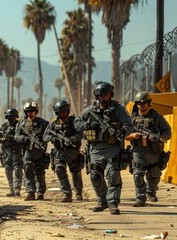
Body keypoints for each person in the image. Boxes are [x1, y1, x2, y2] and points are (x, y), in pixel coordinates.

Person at [74, 81, 133, 215]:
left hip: (113, 148)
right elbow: (77, 123)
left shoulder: (118, 109)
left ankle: (112, 202)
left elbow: (129, 125)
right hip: (95, 149)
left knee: (113, 175)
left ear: (110, 94)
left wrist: (122, 132)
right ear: (97, 96)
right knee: (95, 176)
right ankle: (102, 200)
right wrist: (89, 124)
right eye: (100, 95)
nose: (103, 97)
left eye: (106, 95)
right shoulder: (91, 110)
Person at [124, 91, 171, 207]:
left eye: (144, 102)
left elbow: (167, 132)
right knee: (138, 174)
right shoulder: (131, 120)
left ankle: (151, 191)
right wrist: (133, 136)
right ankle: (140, 197)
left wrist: (158, 138)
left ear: (149, 103)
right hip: (138, 150)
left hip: (153, 151)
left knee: (154, 175)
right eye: (139, 103)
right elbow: (123, 135)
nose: (142, 105)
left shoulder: (157, 118)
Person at [43, 100, 83, 202]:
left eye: (65, 111)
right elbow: (45, 136)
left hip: (73, 152)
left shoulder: (74, 122)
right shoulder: (53, 124)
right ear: (57, 113)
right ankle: (67, 194)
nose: (64, 114)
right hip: (59, 152)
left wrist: (72, 139)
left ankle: (78, 193)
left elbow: (81, 134)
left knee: (76, 172)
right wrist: (53, 139)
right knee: (59, 170)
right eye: (61, 112)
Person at [14, 102, 49, 201]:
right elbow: (16, 136)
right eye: (28, 111)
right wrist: (25, 138)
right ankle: (30, 192)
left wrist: (42, 141)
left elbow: (48, 135)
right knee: (28, 170)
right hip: (28, 152)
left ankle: (40, 192)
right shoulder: (21, 124)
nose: (30, 113)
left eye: (32, 111)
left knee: (40, 173)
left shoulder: (43, 123)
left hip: (40, 153)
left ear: (36, 111)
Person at [0, 108, 23, 197]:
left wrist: (13, 137)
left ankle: (17, 189)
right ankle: (12, 189)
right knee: (8, 170)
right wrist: (2, 139)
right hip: (6, 152)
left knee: (18, 170)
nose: (11, 119)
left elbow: (23, 137)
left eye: (13, 117)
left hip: (16, 151)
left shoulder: (20, 126)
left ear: (16, 117)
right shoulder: (3, 127)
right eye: (9, 117)